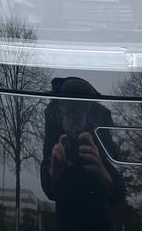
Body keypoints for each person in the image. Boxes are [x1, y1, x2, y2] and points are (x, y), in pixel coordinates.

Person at [40, 77, 125, 231]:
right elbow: (49, 191)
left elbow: (119, 194)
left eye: (79, 113)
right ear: (61, 112)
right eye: (70, 113)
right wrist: (55, 173)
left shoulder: (98, 144)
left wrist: (102, 170)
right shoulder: (55, 145)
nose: (75, 119)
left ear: (87, 115)